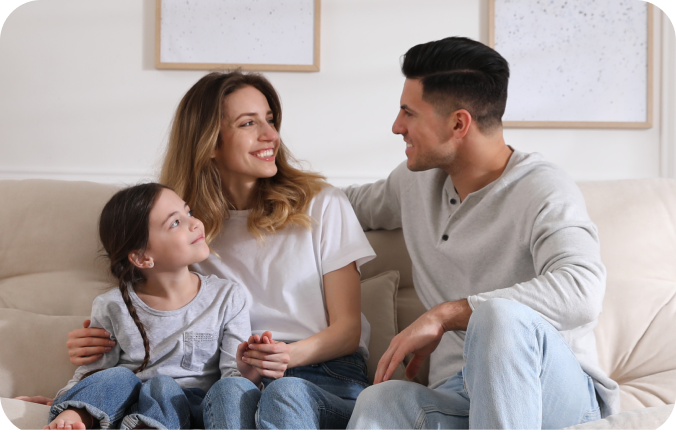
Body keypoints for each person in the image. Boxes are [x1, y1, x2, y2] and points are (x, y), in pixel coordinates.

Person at [53, 72, 376, 430]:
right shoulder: (184, 232)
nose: (271, 134)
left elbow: (347, 330)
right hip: (230, 380)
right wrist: (86, 368)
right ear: (210, 142)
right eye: (248, 123)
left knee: (285, 395)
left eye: (270, 119)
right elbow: (146, 309)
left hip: (323, 372)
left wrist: (286, 356)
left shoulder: (322, 205)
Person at [343, 37, 620, 430]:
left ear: (458, 123)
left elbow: (581, 292)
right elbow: (341, 205)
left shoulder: (544, 188)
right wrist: (252, 185)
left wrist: (447, 314)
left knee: (499, 318)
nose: (396, 126)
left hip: (554, 394)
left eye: (409, 113)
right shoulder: (413, 183)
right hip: (462, 396)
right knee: (381, 401)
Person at [43, 183, 252, 430]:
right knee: (125, 378)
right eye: (175, 222)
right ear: (142, 257)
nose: (195, 223)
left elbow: (233, 375)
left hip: (202, 406)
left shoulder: (228, 296)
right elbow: (92, 373)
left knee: (212, 388)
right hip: (136, 405)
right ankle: (76, 416)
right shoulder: (111, 306)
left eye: (189, 212)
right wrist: (66, 398)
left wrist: (252, 372)